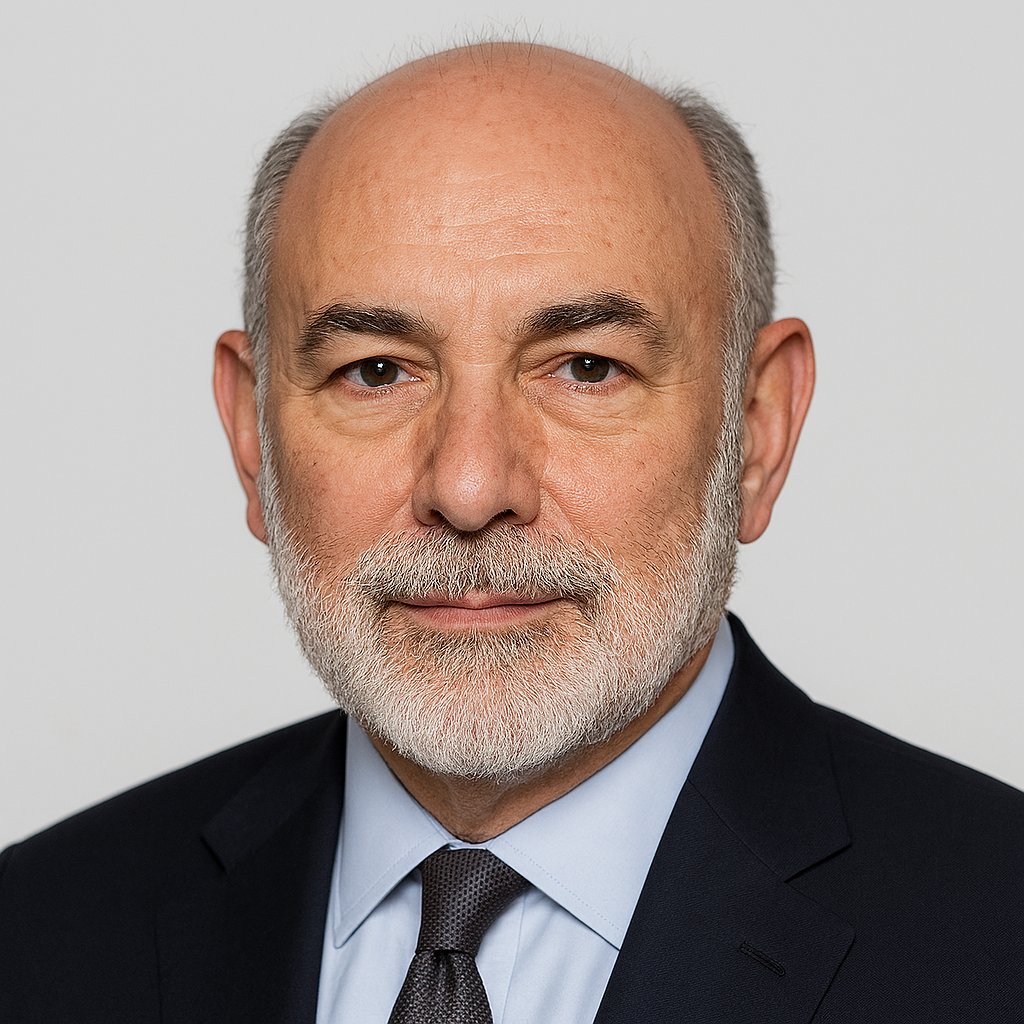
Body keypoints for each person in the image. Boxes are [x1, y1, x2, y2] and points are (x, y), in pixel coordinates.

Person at [1, 41, 1021, 1023]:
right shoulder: (35, 937)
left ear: (756, 429)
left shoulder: (996, 936)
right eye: (375, 371)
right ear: (251, 434)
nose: (469, 486)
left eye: (587, 367)